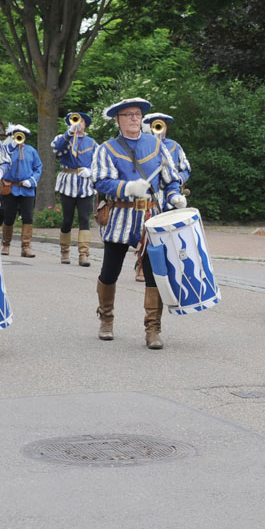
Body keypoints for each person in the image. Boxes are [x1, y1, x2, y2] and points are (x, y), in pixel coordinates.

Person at [92, 97, 185, 349]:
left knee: (155, 274)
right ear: (118, 120)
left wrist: (174, 195)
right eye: (129, 114)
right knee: (110, 271)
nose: (135, 118)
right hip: (120, 216)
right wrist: (128, 187)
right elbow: (101, 181)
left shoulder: (155, 144)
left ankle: (153, 329)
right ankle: (106, 319)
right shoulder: (106, 148)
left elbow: (171, 177)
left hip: (151, 217)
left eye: (137, 114)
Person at [138, 112, 191, 280]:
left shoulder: (175, 146)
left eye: (161, 125)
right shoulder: (143, 145)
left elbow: (185, 168)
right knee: (145, 232)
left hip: (170, 195)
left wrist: (179, 181)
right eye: (155, 125)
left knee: (168, 233)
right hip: (148, 196)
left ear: (166, 127)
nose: (158, 129)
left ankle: (167, 267)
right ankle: (140, 265)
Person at [51, 111, 97, 266]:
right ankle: (65, 252)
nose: (78, 124)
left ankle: (84, 254)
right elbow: (58, 150)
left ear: (85, 125)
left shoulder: (92, 143)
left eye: (81, 121)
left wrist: (90, 171)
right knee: (67, 220)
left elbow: (98, 161)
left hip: (86, 184)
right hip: (68, 182)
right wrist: (70, 133)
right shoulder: (62, 138)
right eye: (75, 121)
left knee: (84, 219)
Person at [0, 125, 42, 258]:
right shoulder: (6, 150)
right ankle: (6, 244)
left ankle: (26, 246)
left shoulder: (31, 151)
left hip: (27, 189)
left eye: (21, 135)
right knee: (9, 216)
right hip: (10, 188)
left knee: (28, 217)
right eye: (16, 134)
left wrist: (32, 180)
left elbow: (38, 167)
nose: (19, 137)